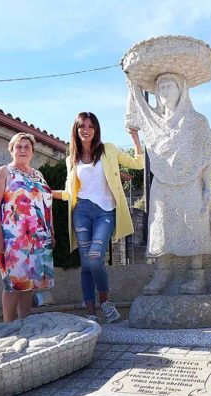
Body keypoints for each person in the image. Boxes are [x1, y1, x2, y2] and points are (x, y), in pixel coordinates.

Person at [125, 73, 211, 295]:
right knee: (161, 226)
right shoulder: (153, 122)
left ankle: (197, 277)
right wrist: (132, 89)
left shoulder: (198, 121)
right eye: (160, 87)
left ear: (182, 90)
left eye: (170, 86)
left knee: (193, 227)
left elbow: (205, 159)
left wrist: (208, 188)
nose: (165, 91)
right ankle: (162, 274)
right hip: (162, 182)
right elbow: (131, 119)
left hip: (191, 183)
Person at [52, 112, 143, 322]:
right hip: (81, 211)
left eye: (91, 126)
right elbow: (68, 193)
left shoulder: (108, 150)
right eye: (82, 126)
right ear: (76, 129)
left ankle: (105, 301)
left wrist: (135, 138)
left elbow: (138, 164)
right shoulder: (71, 160)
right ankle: (91, 314)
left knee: (94, 258)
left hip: (106, 211)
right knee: (86, 264)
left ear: (96, 129)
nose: (86, 130)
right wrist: (47, 192)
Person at [0, 132, 54, 322]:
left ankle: (24, 324)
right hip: (13, 238)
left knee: (30, 284)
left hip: (39, 237)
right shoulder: (4, 172)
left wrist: (51, 231)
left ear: (33, 151)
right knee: (13, 283)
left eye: (27, 147)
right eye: (19, 146)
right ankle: (8, 327)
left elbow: (46, 205)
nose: (23, 150)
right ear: (11, 150)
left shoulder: (38, 175)